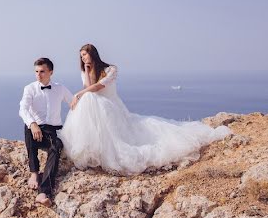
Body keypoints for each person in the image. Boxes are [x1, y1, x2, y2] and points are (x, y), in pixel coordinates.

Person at [60, 43, 230, 175]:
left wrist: (79, 94)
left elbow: (98, 87)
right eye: (81, 56)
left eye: (85, 55)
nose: (82, 58)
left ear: (92, 53)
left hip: (111, 107)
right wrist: (88, 72)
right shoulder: (85, 71)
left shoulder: (110, 69)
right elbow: (90, 88)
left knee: (87, 97)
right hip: (95, 107)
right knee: (88, 98)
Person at [19, 57, 75, 207]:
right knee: (28, 128)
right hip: (36, 128)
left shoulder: (60, 88)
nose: (39, 74)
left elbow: (74, 104)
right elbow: (23, 108)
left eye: (42, 71)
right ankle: (34, 173)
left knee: (56, 147)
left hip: (53, 131)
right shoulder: (29, 88)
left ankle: (43, 192)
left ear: (51, 72)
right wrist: (33, 124)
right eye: (36, 71)